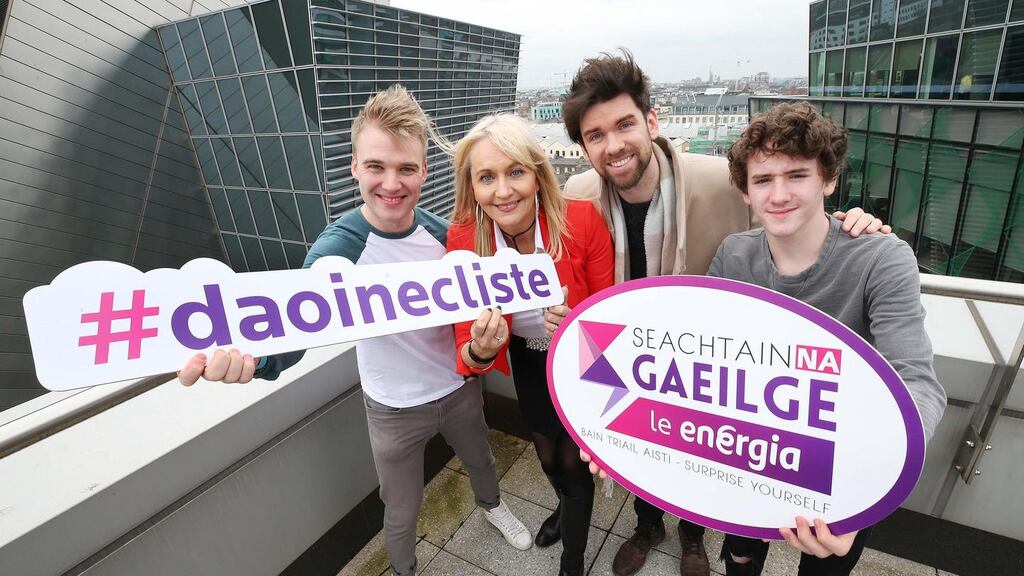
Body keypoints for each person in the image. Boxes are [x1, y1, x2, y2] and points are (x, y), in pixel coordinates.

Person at [177, 85, 532, 576]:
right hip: (391, 409)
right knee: (401, 510)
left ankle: (493, 508)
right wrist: (256, 359)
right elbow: (297, 318)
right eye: (376, 166)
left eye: (406, 168)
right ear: (354, 167)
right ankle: (404, 570)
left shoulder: (444, 234)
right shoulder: (339, 247)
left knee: (482, 461)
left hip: (459, 388)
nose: (392, 183)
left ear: (424, 171)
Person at [560, 51, 889, 576]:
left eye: (624, 124)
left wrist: (854, 221)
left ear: (651, 120)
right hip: (629, 358)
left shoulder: (720, 180)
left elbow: (785, 214)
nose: (613, 144)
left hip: (706, 366)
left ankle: (693, 536)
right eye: (595, 135)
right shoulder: (577, 195)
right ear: (583, 147)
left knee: (701, 467)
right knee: (643, 465)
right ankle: (648, 525)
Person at [709, 100, 946, 576]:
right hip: (753, 453)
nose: (778, 195)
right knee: (740, 556)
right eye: (762, 180)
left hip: (842, 468)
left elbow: (917, 381)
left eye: (796, 175)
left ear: (829, 179)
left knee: (824, 567)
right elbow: (703, 354)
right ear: (745, 192)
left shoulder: (881, 258)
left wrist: (870, 485)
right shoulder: (734, 255)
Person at [446, 114, 614, 576]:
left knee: (576, 465)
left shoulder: (579, 221)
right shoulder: (464, 239)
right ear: (472, 187)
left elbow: (608, 319)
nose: (503, 191)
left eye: (515, 171)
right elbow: (468, 356)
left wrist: (577, 326)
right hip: (526, 357)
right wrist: (481, 347)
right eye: (487, 177)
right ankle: (563, 508)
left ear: (538, 174)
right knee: (547, 454)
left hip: (582, 362)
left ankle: (573, 561)